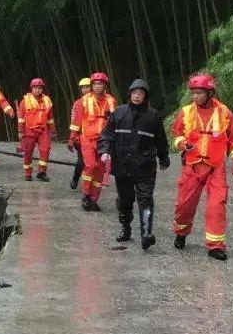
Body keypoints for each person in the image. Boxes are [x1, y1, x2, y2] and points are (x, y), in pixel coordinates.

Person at [170, 73, 233, 261]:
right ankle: (181, 232)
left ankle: (215, 246)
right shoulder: (187, 112)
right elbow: (177, 134)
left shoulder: (224, 113)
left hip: (216, 168)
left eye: (198, 93)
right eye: (193, 93)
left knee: (217, 206)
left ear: (209, 92)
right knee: (184, 205)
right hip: (192, 166)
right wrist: (182, 144)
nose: (195, 96)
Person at [98, 79, 169, 248]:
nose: (137, 96)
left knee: (145, 199)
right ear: (129, 94)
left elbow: (161, 140)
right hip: (122, 165)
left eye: (141, 93)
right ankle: (126, 228)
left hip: (145, 166)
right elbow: (107, 135)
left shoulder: (153, 117)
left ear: (146, 96)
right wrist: (105, 152)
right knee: (125, 200)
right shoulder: (119, 113)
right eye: (134, 92)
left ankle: (146, 233)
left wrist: (163, 157)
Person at [68, 72, 116, 211]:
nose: (97, 86)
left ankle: (94, 199)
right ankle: (86, 196)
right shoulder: (82, 101)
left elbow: (115, 121)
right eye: (94, 84)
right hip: (87, 139)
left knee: (100, 170)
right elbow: (76, 122)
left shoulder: (111, 101)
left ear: (105, 85)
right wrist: (72, 139)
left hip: (104, 141)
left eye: (100, 84)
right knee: (90, 166)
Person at [17, 78, 55, 182]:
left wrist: (52, 129)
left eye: (40, 88)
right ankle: (28, 173)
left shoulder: (47, 100)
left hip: (43, 130)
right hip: (29, 130)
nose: (38, 90)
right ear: (32, 89)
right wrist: (20, 131)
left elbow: (50, 117)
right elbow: (21, 118)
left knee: (45, 150)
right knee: (28, 153)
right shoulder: (25, 101)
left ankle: (42, 172)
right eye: (35, 88)